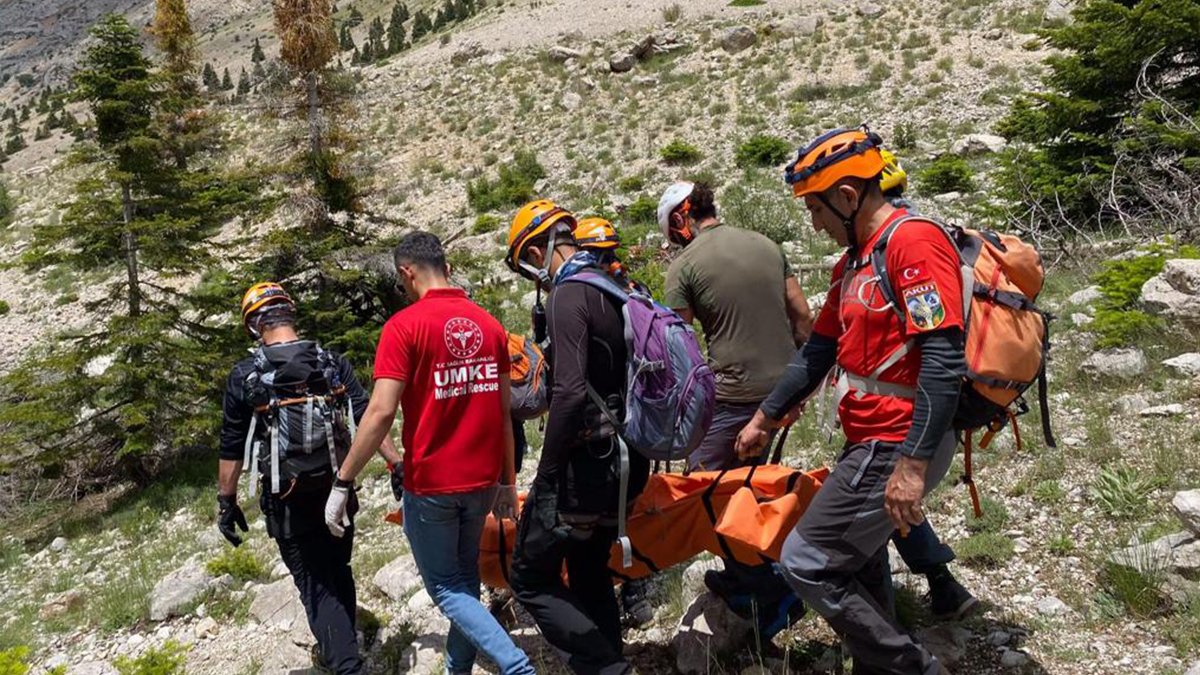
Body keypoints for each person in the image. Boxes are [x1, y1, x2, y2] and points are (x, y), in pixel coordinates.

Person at [736, 127, 969, 674]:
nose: (814, 224)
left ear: (848, 196)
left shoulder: (914, 244)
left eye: (817, 209)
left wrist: (911, 466)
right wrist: (764, 418)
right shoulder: (854, 264)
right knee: (858, 557)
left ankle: (912, 668)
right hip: (869, 440)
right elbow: (816, 354)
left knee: (807, 560)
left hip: (899, 440)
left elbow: (942, 357)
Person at [324, 232, 536, 675]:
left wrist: (343, 479)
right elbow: (502, 415)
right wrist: (507, 483)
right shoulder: (489, 324)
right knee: (465, 584)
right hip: (481, 482)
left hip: (433, 484)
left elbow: (380, 411)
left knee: (446, 591)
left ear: (407, 272)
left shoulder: (403, 327)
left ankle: (517, 667)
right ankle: (456, 670)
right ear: (448, 267)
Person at [217, 282, 403, 675]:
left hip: (286, 496)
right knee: (338, 568)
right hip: (338, 483)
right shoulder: (330, 361)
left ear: (254, 325)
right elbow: (369, 415)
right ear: (290, 314)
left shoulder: (246, 375)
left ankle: (346, 664)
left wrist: (226, 501)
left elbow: (232, 445)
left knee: (314, 581)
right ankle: (344, 646)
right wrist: (395, 464)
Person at [655, 181, 813, 639]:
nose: (673, 242)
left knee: (705, 491)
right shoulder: (766, 244)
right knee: (748, 481)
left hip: (732, 394)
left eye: (672, 233)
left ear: (681, 220)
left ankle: (767, 589)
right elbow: (803, 319)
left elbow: (679, 354)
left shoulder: (684, 266)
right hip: (782, 388)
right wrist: (797, 389)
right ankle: (747, 568)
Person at [505, 199, 650, 675]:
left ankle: (607, 668)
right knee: (589, 568)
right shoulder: (616, 284)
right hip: (630, 453)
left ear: (543, 246)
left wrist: (546, 473)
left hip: (587, 462)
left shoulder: (569, 295)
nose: (533, 271)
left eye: (529, 258)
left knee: (528, 576)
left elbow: (567, 393)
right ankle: (609, 658)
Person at [876, 147, 979, 620]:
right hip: (921, 407)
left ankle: (887, 633)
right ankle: (942, 585)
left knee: (880, 501)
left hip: (908, 410)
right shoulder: (910, 237)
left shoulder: (904, 246)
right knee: (887, 502)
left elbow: (937, 348)